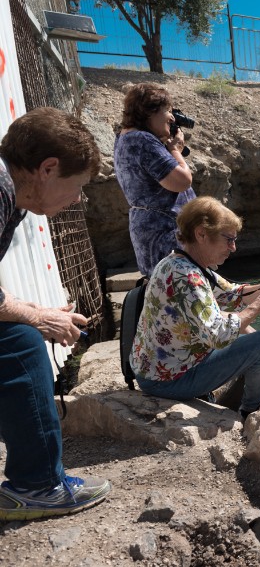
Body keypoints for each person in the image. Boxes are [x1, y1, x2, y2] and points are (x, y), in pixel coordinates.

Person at [0, 107, 111, 520]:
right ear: (48, 168)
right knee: (21, 344)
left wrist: (31, 308)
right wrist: (37, 320)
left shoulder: (12, 196)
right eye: (78, 185)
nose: (79, 198)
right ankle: (38, 486)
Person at [131, 196, 260, 419]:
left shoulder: (178, 262)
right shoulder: (189, 277)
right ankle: (251, 412)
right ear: (201, 234)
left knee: (235, 324)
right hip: (168, 381)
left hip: (153, 371)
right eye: (228, 239)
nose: (234, 248)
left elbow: (231, 293)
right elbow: (219, 335)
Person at [114, 82, 195, 277]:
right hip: (164, 232)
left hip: (155, 231)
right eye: (167, 110)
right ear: (150, 111)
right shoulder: (142, 140)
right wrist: (175, 149)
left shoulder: (126, 138)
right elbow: (182, 180)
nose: (172, 117)